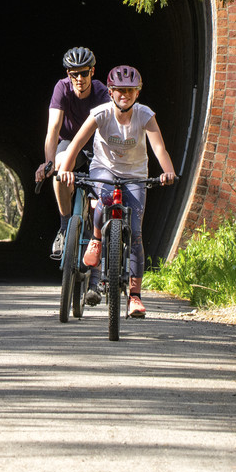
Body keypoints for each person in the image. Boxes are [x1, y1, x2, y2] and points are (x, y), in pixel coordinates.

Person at [56, 64, 176, 319]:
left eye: (130, 91)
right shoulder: (101, 113)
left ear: (137, 93)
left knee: (135, 233)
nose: (125, 95)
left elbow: (159, 148)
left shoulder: (145, 115)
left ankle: (135, 297)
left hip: (135, 174)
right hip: (104, 169)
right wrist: (65, 169)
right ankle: (97, 239)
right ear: (110, 92)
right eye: (120, 90)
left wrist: (168, 171)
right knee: (106, 195)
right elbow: (76, 143)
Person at [36, 46, 109, 260]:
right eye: (74, 74)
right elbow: (53, 129)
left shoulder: (101, 92)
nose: (79, 79)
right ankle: (65, 226)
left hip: (96, 145)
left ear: (92, 72)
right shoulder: (62, 88)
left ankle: (99, 240)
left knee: (101, 197)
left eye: (84, 73)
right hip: (69, 143)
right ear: (68, 74)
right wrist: (48, 162)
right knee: (59, 172)